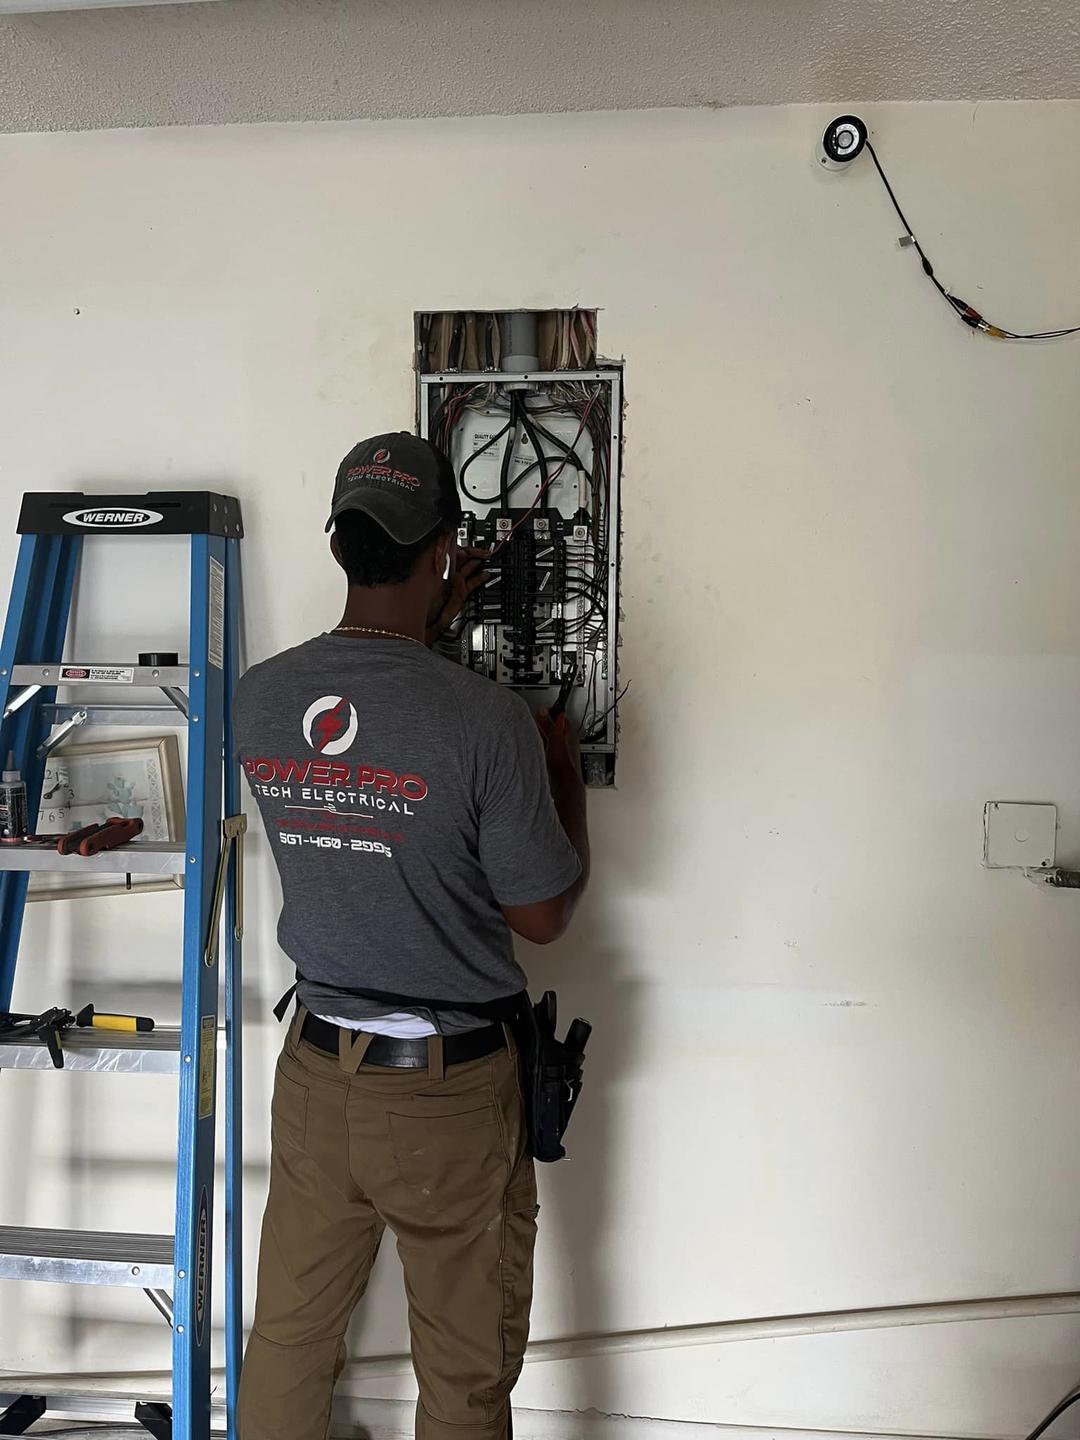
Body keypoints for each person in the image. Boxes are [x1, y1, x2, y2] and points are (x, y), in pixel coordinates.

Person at [233, 432, 590, 1440]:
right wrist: (563, 783)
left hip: (316, 1076)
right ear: (442, 549)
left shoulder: (262, 696)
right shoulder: (488, 722)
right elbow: (543, 917)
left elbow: (374, 728)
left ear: (337, 543)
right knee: (464, 1372)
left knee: (290, 1339)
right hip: (447, 1094)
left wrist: (426, 614)